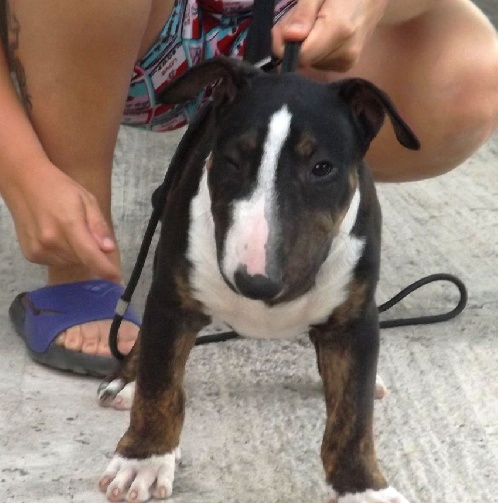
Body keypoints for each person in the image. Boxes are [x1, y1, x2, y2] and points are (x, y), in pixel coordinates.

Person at [0, 0, 497, 377]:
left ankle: (284, 226)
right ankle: (80, 258)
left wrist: (366, 5)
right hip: (113, 31)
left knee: (471, 73)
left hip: (286, 26)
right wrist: (23, 172)